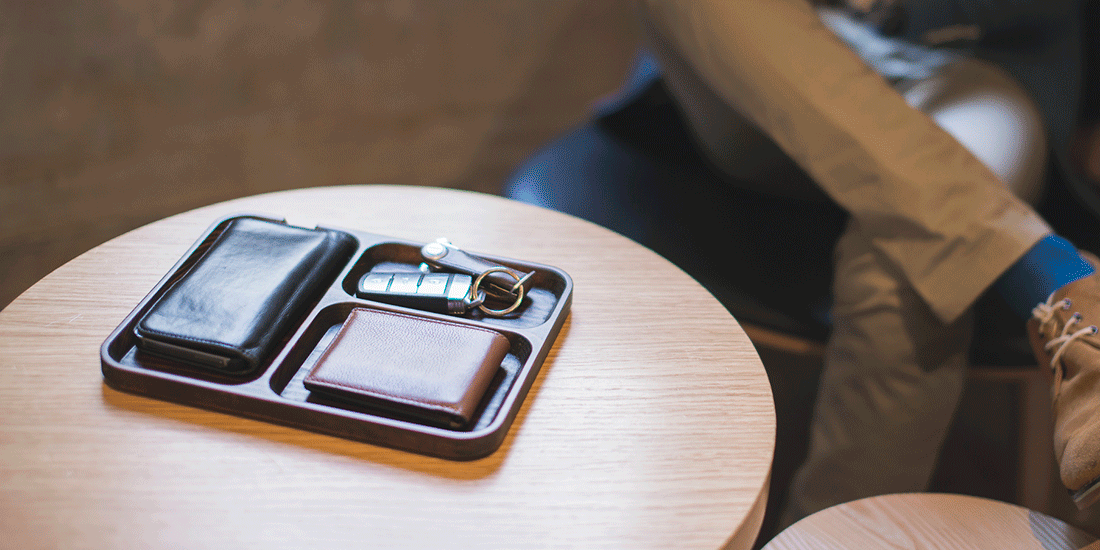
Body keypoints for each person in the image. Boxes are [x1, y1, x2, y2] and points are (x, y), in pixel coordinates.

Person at [505, 0, 1100, 527]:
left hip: (965, 71)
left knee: (909, 260)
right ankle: (1049, 278)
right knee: (934, 230)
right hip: (767, 65)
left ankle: (830, 534)